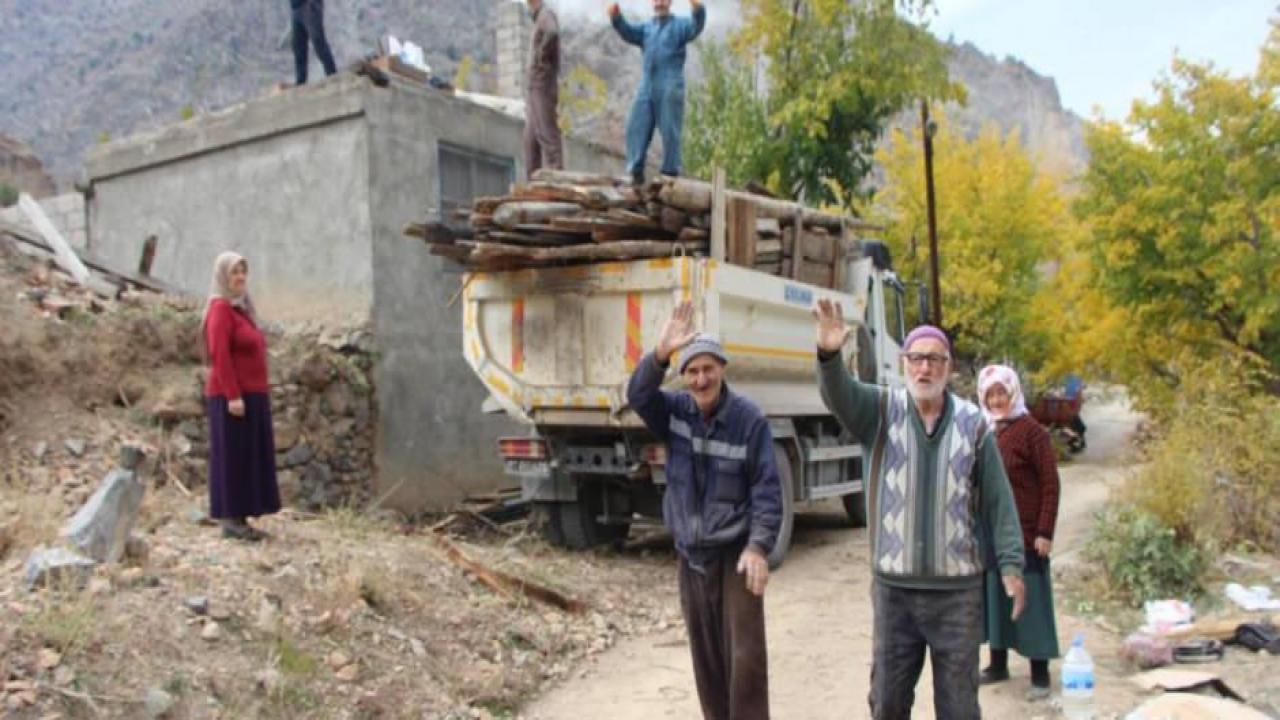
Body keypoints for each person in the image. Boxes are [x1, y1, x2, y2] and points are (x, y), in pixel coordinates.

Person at [811, 300, 1026, 720]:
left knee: (959, 707)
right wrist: (829, 356)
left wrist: (1012, 565)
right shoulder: (879, 411)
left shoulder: (974, 424)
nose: (924, 368)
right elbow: (839, 395)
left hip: (958, 595)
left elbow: (998, 500)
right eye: (916, 359)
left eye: (934, 360)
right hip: (895, 594)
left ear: (948, 368)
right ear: (904, 363)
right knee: (888, 703)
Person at [626, 301, 781, 720]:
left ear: (722, 368)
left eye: (708, 369)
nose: (700, 379)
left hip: (735, 557)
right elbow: (638, 395)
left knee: (745, 660)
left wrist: (758, 547)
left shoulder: (749, 421)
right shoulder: (675, 412)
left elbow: (767, 491)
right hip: (691, 557)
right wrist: (660, 354)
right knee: (707, 662)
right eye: (692, 371)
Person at [976, 364, 1062, 700]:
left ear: (1014, 394)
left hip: (1026, 534)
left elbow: (1050, 484)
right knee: (996, 599)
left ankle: (1040, 673)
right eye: (991, 395)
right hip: (992, 533)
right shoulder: (985, 432)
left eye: (1002, 393)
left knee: (1031, 601)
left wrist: (1044, 531)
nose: (997, 400)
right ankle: (997, 664)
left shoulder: (1032, 432)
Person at [202, 252, 281, 541]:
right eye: (234, 272)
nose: (240, 278)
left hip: (251, 395)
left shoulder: (240, 310)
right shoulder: (221, 310)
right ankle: (232, 520)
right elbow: (220, 355)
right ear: (223, 276)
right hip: (233, 398)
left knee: (247, 456)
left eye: (243, 272)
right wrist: (233, 395)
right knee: (234, 456)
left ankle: (242, 517)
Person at [608, 0, 706, 185]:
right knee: (636, 126)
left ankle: (669, 176)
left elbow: (696, 26)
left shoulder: (680, 26)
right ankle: (635, 174)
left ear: (670, 2)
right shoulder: (647, 28)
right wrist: (616, 17)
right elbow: (628, 32)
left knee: (670, 131)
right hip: (647, 84)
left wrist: (697, 7)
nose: (659, 2)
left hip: (670, 85)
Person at [524, 0, 564, 179]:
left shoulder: (545, 15)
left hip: (542, 84)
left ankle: (557, 177)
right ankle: (532, 181)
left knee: (547, 133)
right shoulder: (539, 18)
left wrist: (541, 56)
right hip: (534, 86)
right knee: (531, 139)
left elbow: (552, 32)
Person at [290, 0, 337, 86]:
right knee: (298, 46)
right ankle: (301, 81)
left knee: (318, 42)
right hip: (296, 8)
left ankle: (332, 75)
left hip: (309, 5)